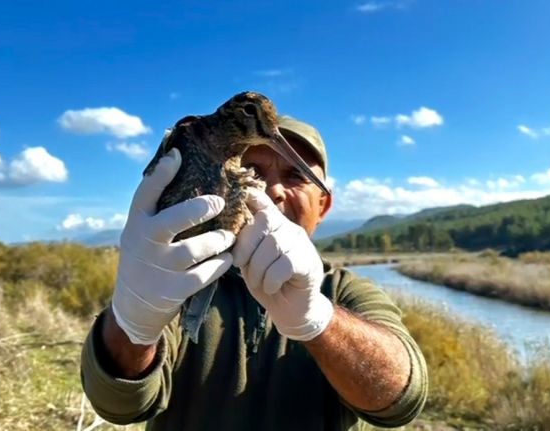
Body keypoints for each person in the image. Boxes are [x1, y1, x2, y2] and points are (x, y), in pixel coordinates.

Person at [80, 115, 428, 430]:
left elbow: (401, 400)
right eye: (255, 172)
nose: (273, 190)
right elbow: (119, 406)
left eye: (295, 175)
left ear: (323, 205)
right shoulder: (182, 277)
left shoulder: (343, 290)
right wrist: (132, 324)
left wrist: (318, 318)